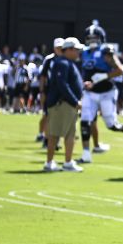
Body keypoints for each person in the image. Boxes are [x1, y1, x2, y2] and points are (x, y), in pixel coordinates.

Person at [79, 21, 123, 162]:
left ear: (101, 38)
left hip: (106, 91)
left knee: (111, 125)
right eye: (89, 38)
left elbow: (121, 70)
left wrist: (104, 76)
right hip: (90, 93)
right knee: (85, 121)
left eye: (95, 38)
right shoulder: (83, 53)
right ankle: (85, 154)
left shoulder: (105, 51)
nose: (92, 41)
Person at [43, 38, 86, 172]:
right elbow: (62, 85)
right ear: (69, 49)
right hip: (62, 103)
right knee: (55, 134)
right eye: (76, 49)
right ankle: (49, 163)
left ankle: (68, 162)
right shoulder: (62, 63)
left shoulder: (67, 62)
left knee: (70, 134)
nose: (78, 52)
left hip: (67, 104)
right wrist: (75, 101)